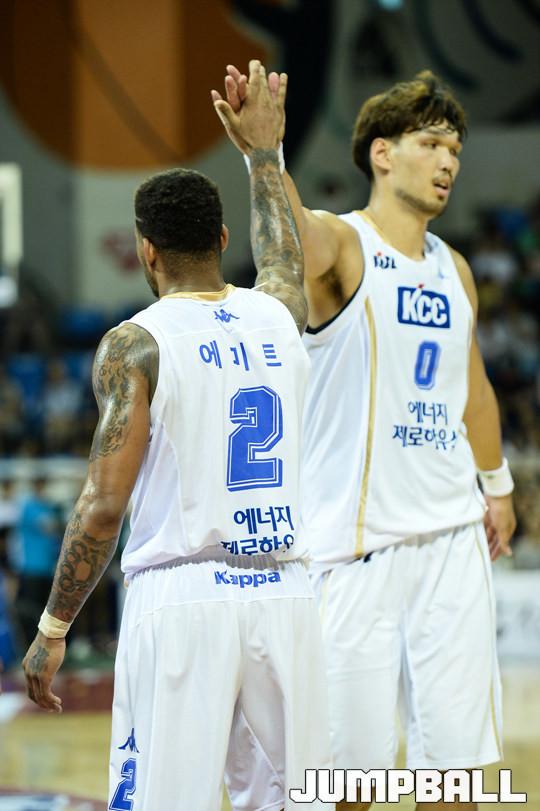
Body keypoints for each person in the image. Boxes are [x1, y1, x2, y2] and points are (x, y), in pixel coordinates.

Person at [22, 61, 333, 811]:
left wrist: (55, 625)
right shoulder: (279, 313)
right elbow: (283, 258)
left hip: (183, 597)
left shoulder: (137, 344)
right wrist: (264, 154)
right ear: (221, 238)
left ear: (146, 251)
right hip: (286, 595)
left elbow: (103, 507)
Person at [215, 67, 517, 810]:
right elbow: (289, 240)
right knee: (350, 779)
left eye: (455, 149)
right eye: (431, 143)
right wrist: (263, 157)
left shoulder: (455, 270)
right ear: (382, 153)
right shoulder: (345, 243)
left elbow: (473, 387)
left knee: (455, 775)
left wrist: (498, 486)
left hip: (450, 542)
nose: (448, 162)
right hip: (354, 553)